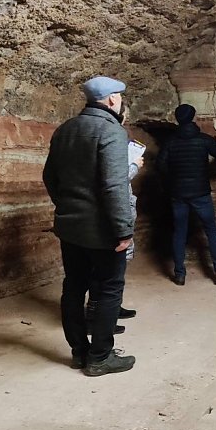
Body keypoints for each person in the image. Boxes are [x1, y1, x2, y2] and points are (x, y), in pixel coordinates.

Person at [42, 76, 136, 376]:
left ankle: (80, 352)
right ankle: (101, 356)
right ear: (111, 100)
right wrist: (123, 230)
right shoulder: (111, 131)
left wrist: (67, 206)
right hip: (102, 231)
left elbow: (49, 177)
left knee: (73, 287)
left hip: (70, 228)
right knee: (109, 289)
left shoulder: (65, 129)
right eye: (119, 97)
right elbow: (114, 186)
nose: (120, 101)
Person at [157, 104, 216, 285]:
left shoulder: (170, 142)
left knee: (179, 232)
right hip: (201, 193)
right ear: (193, 118)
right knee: (211, 230)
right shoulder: (203, 140)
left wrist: (173, 181)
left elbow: (160, 167)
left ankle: (180, 274)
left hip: (178, 194)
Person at [85, 102, 140, 331]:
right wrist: (135, 166)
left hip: (113, 212)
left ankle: (112, 309)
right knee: (105, 273)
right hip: (110, 216)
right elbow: (113, 180)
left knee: (114, 271)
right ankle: (98, 321)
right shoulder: (110, 135)